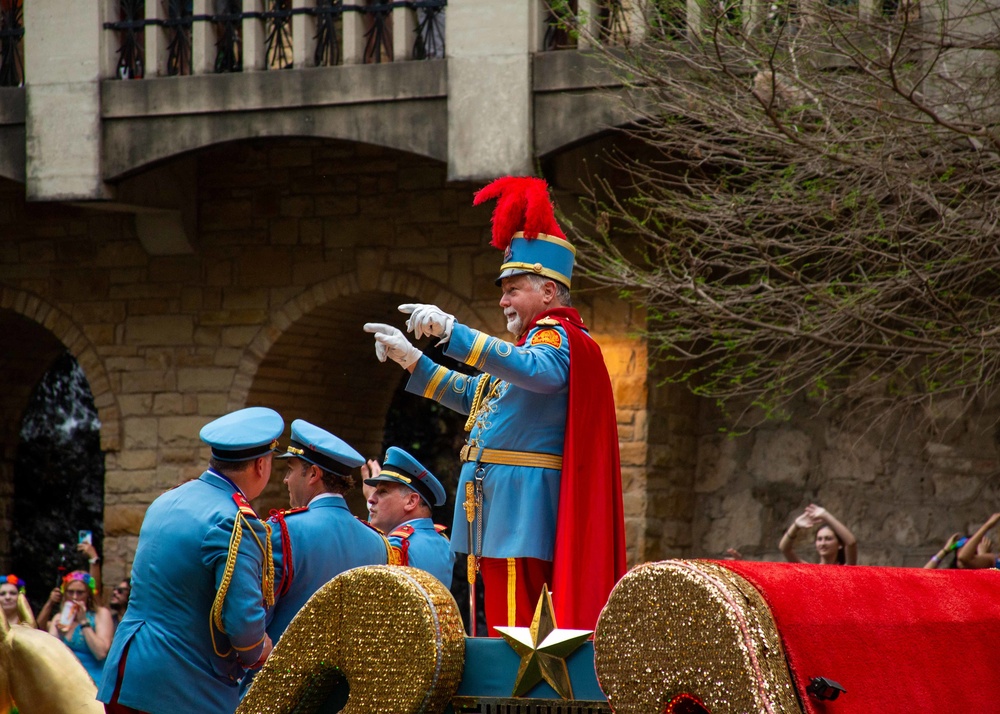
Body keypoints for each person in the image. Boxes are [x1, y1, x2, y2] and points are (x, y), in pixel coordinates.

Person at [364, 176, 626, 634]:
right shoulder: (530, 346)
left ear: (547, 292)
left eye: (513, 289)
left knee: (521, 622)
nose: (503, 300)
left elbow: (537, 372)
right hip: (499, 504)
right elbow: (473, 396)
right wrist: (412, 360)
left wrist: (456, 333)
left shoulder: (558, 340)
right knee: (506, 617)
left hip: (521, 505)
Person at [98, 406, 283, 714]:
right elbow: (243, 625)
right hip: (183, 688)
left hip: (126, 674)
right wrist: (262, 650)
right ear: (261, 465)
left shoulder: (166, 499)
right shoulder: (237, 521)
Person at [266, 419, 390, 642]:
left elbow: (258, 616)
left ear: (313, 474)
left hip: (281, 671)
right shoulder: (378, 542)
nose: (285, 480)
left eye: (290, 469)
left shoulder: (283, 528)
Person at [363, 447, 454, 588]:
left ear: (411, 501)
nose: (371, 499)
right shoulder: (443, 543)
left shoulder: (397, 547)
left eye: (382, 492)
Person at [48, 570, 114, 684]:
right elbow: (50, 655)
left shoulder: (101, 614)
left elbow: (101, 653)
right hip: (65, 679)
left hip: (93, 679)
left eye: (80, 592)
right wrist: (58, 634)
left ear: (88, 594)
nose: (75, 597)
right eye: (70, 592)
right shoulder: (59, 618)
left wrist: (84, 622)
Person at [779, 503, 858, 565]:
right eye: (819, 539)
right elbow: (785, 549)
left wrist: (826, 515)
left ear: (839, 544)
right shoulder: (811, 571)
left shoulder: (845, 569)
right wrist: (796, 526)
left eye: (828, 539)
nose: (822, 543)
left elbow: (851, 543)